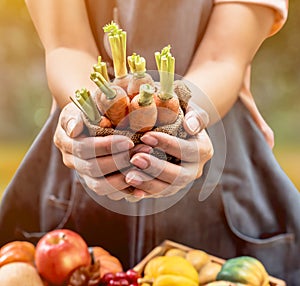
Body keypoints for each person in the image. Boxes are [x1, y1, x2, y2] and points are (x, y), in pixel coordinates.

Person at [1, 0, 300, 285]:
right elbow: (66, 46)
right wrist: (89, 115)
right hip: (79, 168)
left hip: (222, 157)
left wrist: (185, 118)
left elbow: (223, 58)